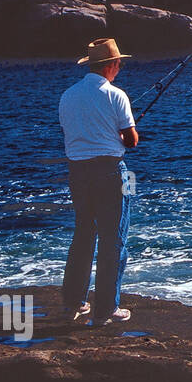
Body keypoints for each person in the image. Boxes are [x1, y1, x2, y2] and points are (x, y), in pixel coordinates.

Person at [58, 37, 139, 326]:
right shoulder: (116, 95)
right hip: (112, 171)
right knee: (113, 239)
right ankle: (106, 310)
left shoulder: (67, 96)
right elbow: (131, 141)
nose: (119, 68)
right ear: (112, 65)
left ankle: (74, 304)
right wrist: (117, 136)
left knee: (82, 236)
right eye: (119, 64)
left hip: (77, 173)